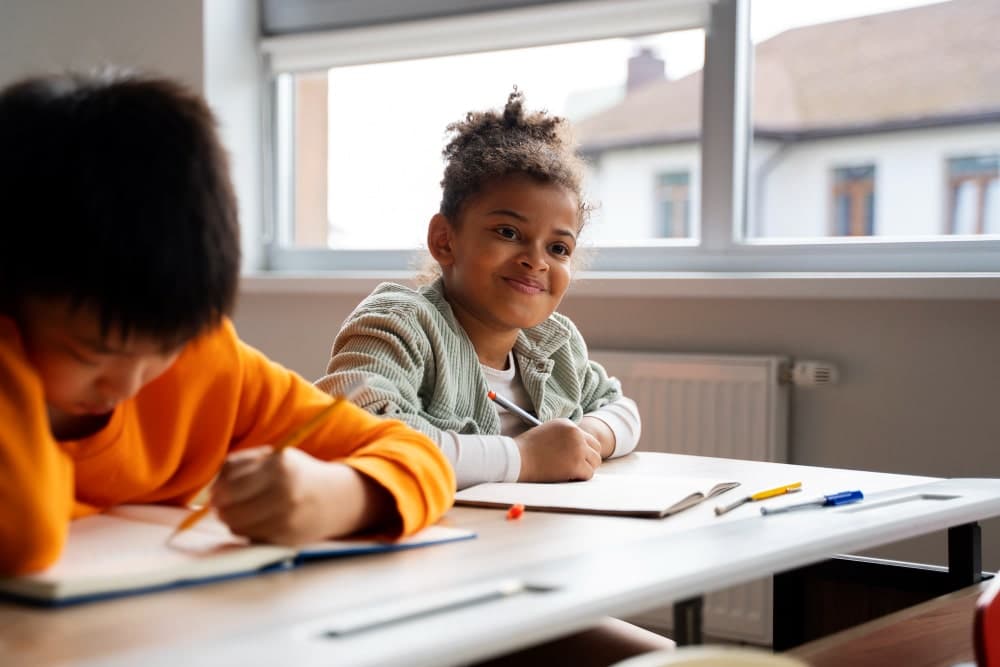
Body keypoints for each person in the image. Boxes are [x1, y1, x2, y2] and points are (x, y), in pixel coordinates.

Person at [0, 69, 454, 576]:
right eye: (91, 354)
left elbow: (419, 455)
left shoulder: (206, 361)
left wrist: (338, 496)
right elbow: (23, 538)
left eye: (164, 348)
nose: (128, 385)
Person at [316, 90, 671, 664]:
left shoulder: (551, 343)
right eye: (508, 233)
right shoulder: (399, 322)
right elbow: (359, 436)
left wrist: (590, 437)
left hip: (514, 591)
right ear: (445, 240)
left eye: (559, 247)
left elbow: (619, 407)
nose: (536, 259)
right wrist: (524, 459)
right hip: (402, 606)